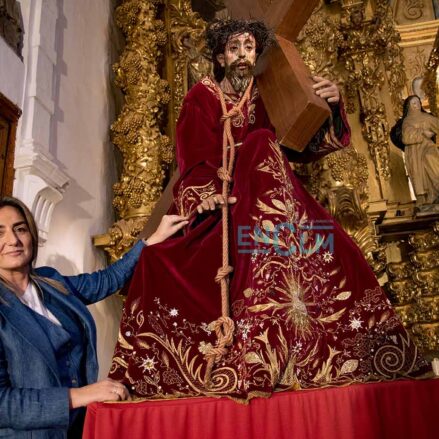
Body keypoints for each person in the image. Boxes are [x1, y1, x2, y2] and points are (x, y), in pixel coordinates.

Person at [109, 19, 429, 403]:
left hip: (268, 210)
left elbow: (301, 146)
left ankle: (319, 353)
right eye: (233, 48)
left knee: (336, 246)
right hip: (222, 207)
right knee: (160, 262)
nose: (242, 54)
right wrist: (206, 194)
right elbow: (192, 155)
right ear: (219, 56)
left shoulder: (267, 95)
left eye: (248, 47)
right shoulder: (202, 95)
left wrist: (330, 105)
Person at [0, 196, 188, 438]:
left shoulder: (51, 282)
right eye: (0, 232)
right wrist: (81, 395)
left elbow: (105, 281)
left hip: (79, 428)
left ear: (32, 235)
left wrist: (149, 242)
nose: (13, 240)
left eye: (20, 229)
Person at [390, 95, 439, 206]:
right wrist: (422, 132)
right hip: (414, 152)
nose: (417, 105)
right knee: (420, 174)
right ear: (409, 106)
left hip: (427, 146)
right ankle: (429, 198)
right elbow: (406, 137)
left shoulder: (427, 117)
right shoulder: (407, 121)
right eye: (414, 103)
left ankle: (436, 190)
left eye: (418, 102)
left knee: (432, 158)